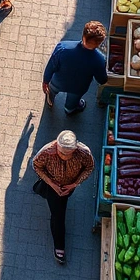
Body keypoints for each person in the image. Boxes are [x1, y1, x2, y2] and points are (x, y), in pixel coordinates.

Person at [32, 130, 94, 264]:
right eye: (60, 152)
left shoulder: (84, 153)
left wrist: (74, 184)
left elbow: (89, 167)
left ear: (75, 149)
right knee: (58, 216)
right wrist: (52, 184)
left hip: (70, 186)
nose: (62, 155)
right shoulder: (47, 151)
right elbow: (36, 166)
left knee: (62, 203)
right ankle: (59, 246)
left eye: (66, 154)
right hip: (52, 186)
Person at [43, 21, 109, 115]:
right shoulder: (99, 60)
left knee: (52, 91)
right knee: (73, 100)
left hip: (57, 82)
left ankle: (50, 100)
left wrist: (45, 81)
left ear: (83, 35)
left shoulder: (63, 47)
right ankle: (69, 109)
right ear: (99, 43)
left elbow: (51, 66)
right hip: (78, 88)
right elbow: (101, 80)